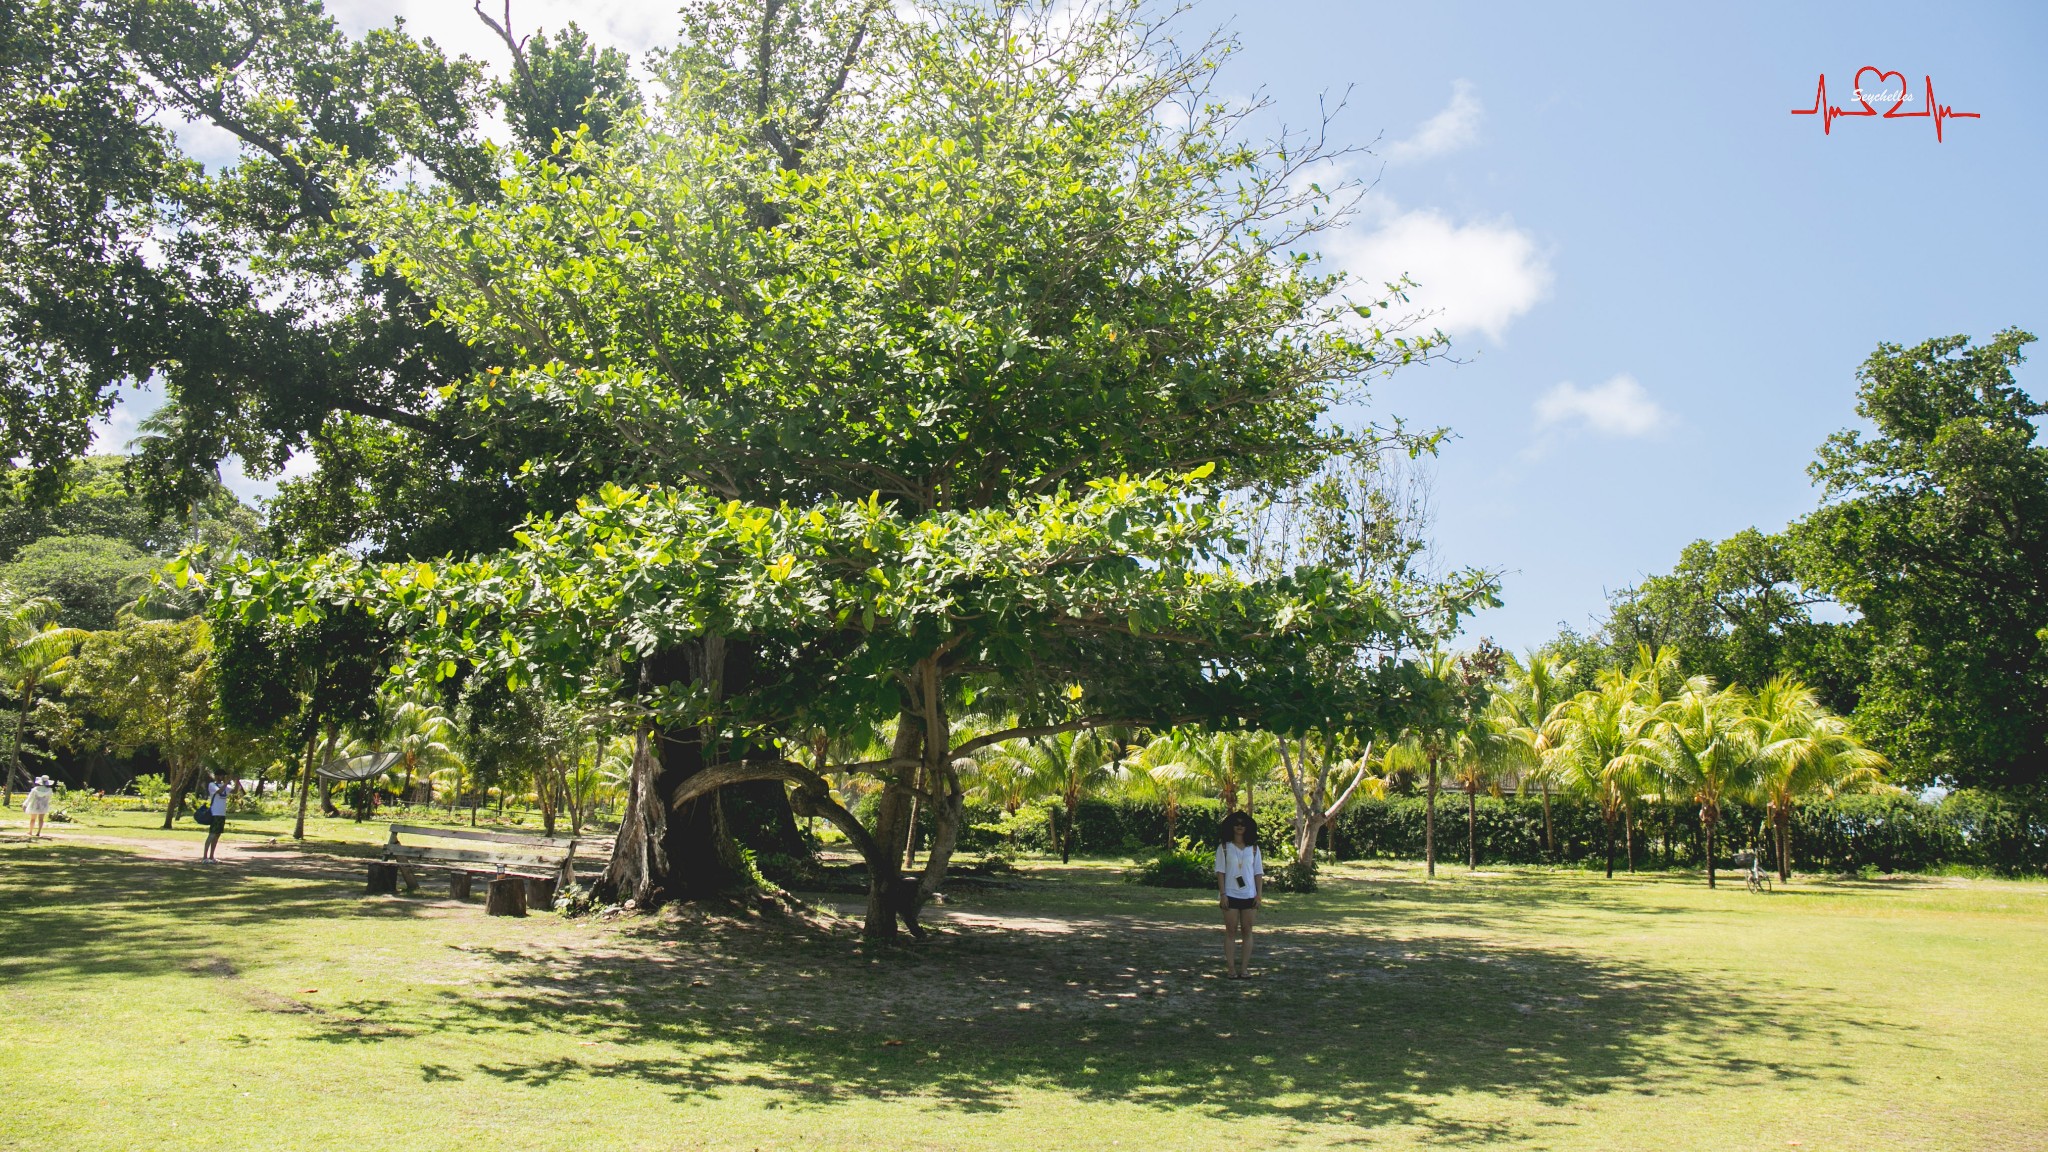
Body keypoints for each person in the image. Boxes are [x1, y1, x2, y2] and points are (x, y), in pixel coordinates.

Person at [1214, 811, 1266, 979]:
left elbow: (1258, 873)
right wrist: (1223, 894)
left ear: (1248, 827)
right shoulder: (1223, 847)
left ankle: (1244, 969)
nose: (1239, 826)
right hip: (1230, 894)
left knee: (1247, 931)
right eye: (1236, 823)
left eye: (1243, 824)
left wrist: (1259, 895)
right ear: (1231, 826)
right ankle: (1231, 969)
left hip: (1249, 895)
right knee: (1230, 931)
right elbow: (1220, 872)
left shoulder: (1254, 849)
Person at [201, 772, 231, 862]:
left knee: (217, 835)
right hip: (215, 813)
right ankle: (204, 857)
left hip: (222, 814)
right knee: (212, 834)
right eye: (221, 775)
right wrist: (227, 782)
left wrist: (237, 781)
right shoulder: (212, 785)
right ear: (216, 776)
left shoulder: (225, 786)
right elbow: (219, 791)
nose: (222, 777)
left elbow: (235, 791)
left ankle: (211, 856)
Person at [23, 775, 55, 840]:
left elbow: (30, 798)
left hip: (34, 805)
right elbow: (49, 798)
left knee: (32, 819)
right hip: (43, 805)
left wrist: (25, 804)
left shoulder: (35, 789)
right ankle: (38, 832)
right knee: (41, 819)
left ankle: (30, 831)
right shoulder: (49, 790)